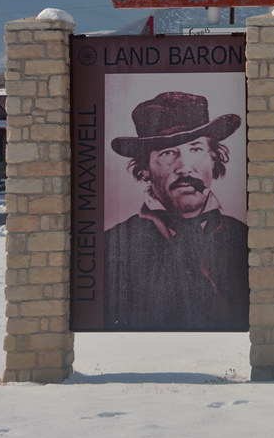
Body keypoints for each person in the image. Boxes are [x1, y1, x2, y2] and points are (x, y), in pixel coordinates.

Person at [104, 91, 249, 331]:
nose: (185, 168)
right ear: (145, 169)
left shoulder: (245, 239)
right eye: (168, 153)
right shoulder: (113, 246)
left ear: (214, 159)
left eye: (195, 149)